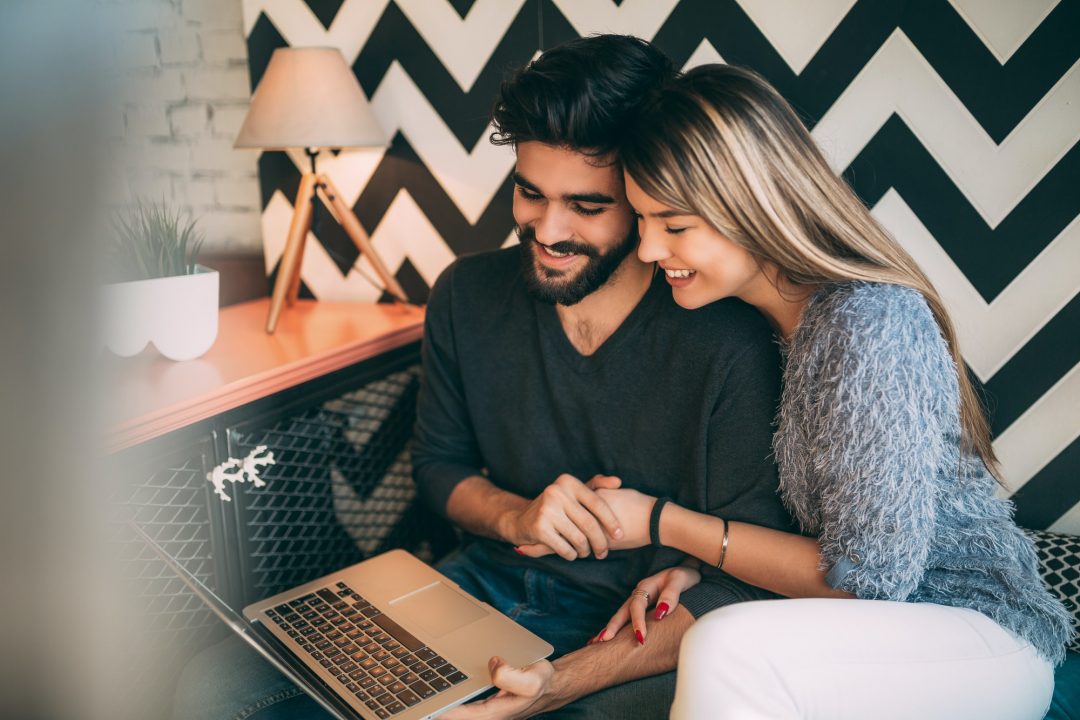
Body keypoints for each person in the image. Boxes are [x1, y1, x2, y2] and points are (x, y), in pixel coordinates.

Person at [172, 37, 794, 720]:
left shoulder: (727, 335)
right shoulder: (466, 294)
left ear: (648, 197)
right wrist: (515, 514)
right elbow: (440, 469)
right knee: (215, 688)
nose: (548, 229)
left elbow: (745, 587)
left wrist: (557, 683)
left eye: (587, 206)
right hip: (474, 589)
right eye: (530, 192)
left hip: (634, 632)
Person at [562, 64, 1072, 719]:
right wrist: (701, 569)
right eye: (641, 218)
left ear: (753, 201)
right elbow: (803, 528)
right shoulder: (767, 325)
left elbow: (870, 582)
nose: (649, 248)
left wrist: (664, 524)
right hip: (881, 633)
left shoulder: (870, 324)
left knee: (724, 648)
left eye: (674, 223)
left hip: (977, 635)